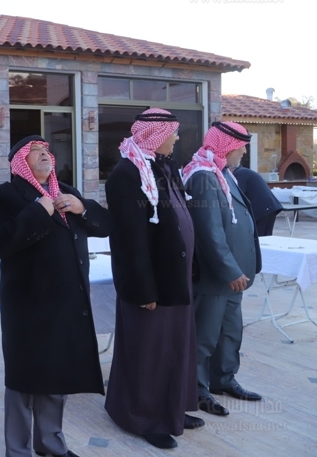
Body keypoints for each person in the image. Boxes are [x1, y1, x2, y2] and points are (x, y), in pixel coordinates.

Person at [0, 135, 111, 457]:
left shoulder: (66, 191)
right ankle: (18, 450)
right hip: (28, 306)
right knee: (23, 380)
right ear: (19, 162)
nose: (45, 155)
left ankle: (50, 444)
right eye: (36, 151)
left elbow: (105, 226)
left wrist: (84, 208)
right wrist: (37, 212)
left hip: (67, 302)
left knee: (57, 375)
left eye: (47, 151)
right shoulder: (2, 197)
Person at [104, 109, 201, 450]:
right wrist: (143, 289)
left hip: (174, 277)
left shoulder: (165, 167)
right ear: (155, 135)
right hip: (151, 284)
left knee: (176, 346)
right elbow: (129, 241)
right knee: (149, 351)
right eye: (172, 132)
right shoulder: (127, 175)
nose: (177, 138)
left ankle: (171, 409)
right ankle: (142, 417)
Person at [183, 121, 262, 416]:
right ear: (227, 147)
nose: (243, 152)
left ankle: (223, 379)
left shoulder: (222, 172)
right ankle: (197, 391)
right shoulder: (203, 176)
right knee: (205, 338)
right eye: (241, 146)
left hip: (233, 276)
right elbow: (209, 233)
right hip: (216, 276)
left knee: (230, 332)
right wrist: (229, 270)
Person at [232, 166, 283, 236]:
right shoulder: (244, 172)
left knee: (260, 237)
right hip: (269, 207)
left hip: (263, 209)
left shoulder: (239, 174)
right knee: (266, 236)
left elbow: (237, 195)